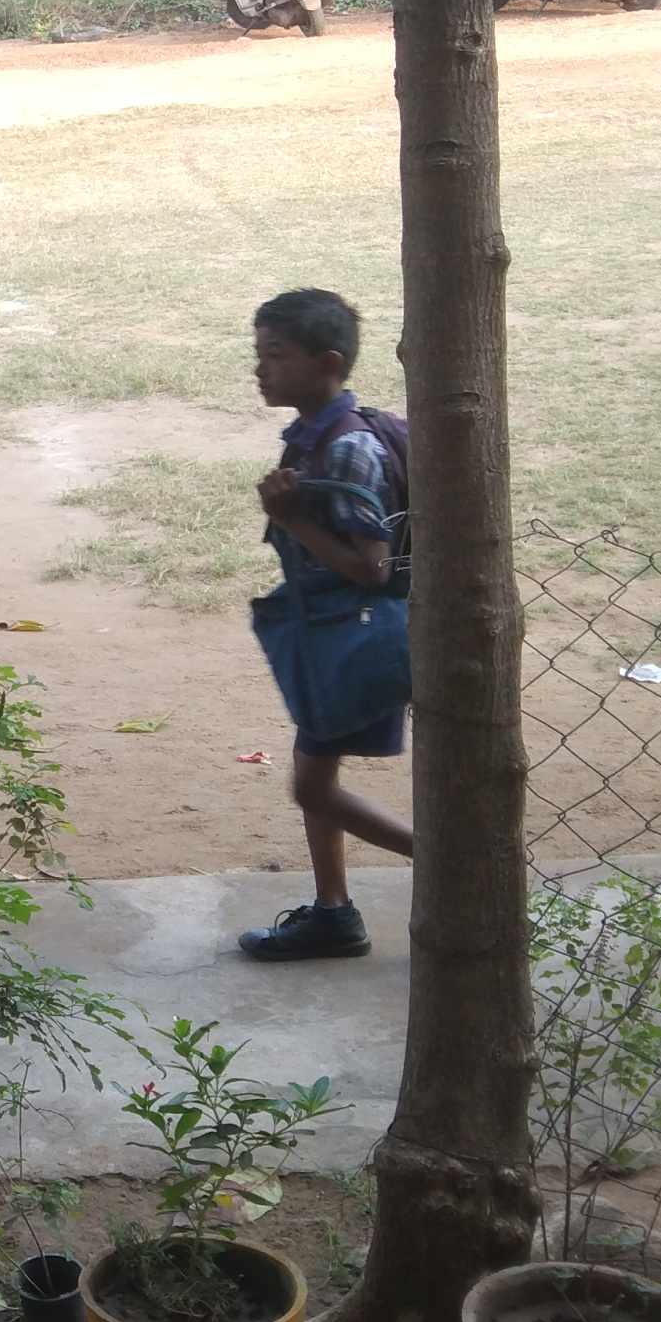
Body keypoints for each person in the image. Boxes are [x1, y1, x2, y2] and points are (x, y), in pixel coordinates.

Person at [239, 286, 413, 964]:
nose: (261, 369)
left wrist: (291, 520)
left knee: (311, 785)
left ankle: (452, 864)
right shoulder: (317, 433)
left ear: (328, 362)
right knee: (314, 772)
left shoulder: (348, 448)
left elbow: (371, 567)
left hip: (354, 634)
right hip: (335, 632)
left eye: (276, 355)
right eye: (259, 354)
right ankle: (333, 911)